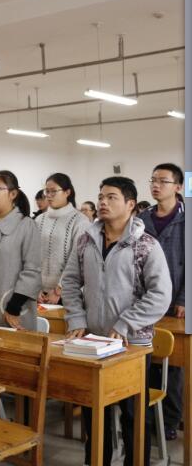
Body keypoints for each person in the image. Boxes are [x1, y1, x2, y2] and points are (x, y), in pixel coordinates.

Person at [63, 176, 171, 465]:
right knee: (94, 411)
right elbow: (70, 281)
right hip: (93, 342)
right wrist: (76, 318)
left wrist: (124, 324)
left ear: (130, 204)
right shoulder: (85, 240)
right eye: (101, 196)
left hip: (131, 344)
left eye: (111, 197)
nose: (103, 202)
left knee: (133, 414)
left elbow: (160, 295)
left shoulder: (146, 245)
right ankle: (96, 461)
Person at [139, 163, 185, 441]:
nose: (156, 185)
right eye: (153, 180)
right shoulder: (141, 219)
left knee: (173, 364)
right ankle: (146, 415)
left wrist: (185, 298)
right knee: (147, 358)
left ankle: (170, 419)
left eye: (163, 181)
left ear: (178, 187)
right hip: (145, 300)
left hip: (175, 302)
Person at [0, 171, 41, 330]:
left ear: (13, 194)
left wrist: (14, 307)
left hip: (16, 315)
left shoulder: (27, 226)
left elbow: (32, 271)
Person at [34, 173, 89, 305]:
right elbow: (31, 255)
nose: (49, 195)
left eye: (53, 191)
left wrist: (59, 290)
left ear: (67, 192)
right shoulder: (39, 220)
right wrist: (34, 287)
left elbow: (77, 259)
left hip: (66, 294)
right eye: (47, 191)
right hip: (38, 293)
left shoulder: (80, 221)